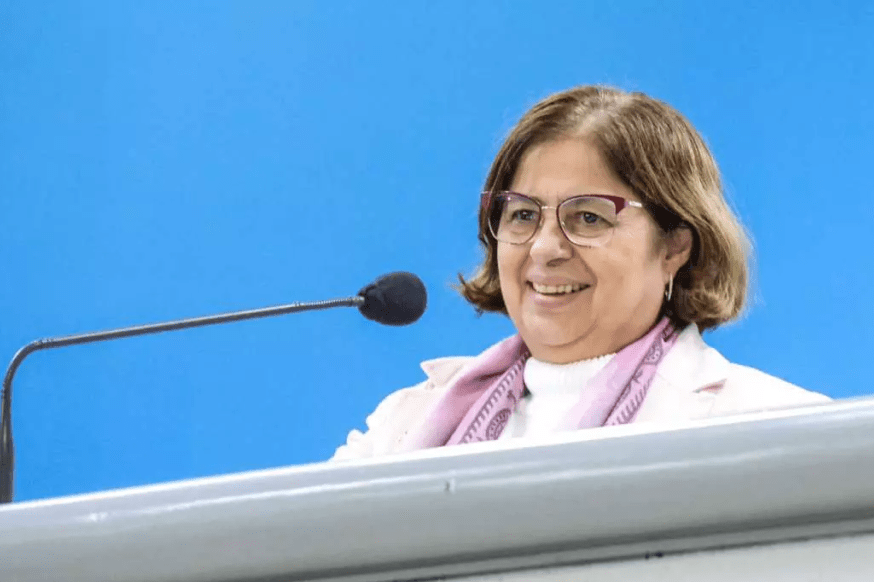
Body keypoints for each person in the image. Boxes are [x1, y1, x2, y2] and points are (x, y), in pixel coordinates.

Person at [332, 85, 830, 461]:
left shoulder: (778, 429)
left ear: (675, 246)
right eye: (523, 214)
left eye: (588, 217)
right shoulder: (402, 426)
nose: (545, 248)